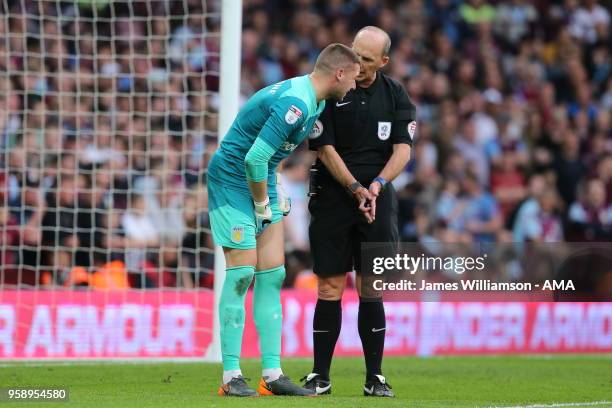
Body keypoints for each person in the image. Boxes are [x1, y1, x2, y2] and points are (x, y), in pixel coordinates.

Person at [207, 43, 360, 397]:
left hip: (263, 178)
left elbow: (268, 158)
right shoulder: (297, 103)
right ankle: (231, 376)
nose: (354, 85)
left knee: (273, 275)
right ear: (339, 73)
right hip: (233, 180)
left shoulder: (316, 100)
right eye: (352, 78)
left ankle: (272, 375)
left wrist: (274, 189)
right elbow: (252, 159)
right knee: (243, 272)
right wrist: (262, 203)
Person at [303, 27, 416, 397]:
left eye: (367, 59)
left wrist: (377, 186)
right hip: (335, 198)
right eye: (355, 54)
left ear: (383, 61)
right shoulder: (333, 88)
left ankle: (375, 377)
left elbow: (403, 150)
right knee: (330, 286)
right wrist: (354, 187)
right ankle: (320, 375)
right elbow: (324, 147)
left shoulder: (395, 94)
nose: (358, 63)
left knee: (372, 287)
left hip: (377, 201)